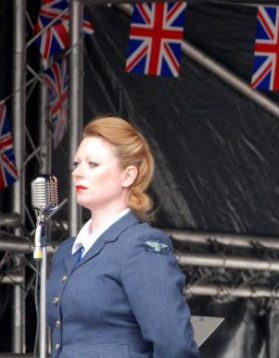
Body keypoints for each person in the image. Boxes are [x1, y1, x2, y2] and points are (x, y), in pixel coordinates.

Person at [46, 117, 199, 357]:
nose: (77, 173)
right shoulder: (68, 250)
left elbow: (174, 344)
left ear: (127, 176)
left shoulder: (139, 246)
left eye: (93, 164)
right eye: (76, 164)